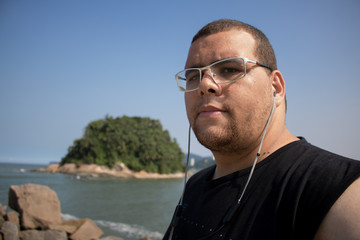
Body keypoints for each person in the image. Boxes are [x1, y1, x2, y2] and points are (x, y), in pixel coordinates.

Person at [163, 19, 360, 240]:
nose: (204, 85)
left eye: (229, 69)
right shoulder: (194, 185)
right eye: (193, 76)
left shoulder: (337, 191)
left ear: (275, 87)